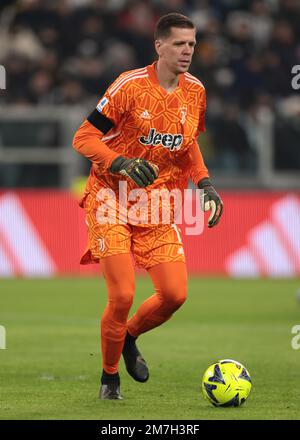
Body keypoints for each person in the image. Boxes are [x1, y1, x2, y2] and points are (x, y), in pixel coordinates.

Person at [73, 12, 223, 400]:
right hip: (110, 198)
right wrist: (120, 162)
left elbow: (188, 142)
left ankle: (128, 338)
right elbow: (83, 137)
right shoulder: (129, 85)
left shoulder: (196, 91)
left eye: (191, 43)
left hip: (157, 205)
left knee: (175, 295)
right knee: (122, 295)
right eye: (179, 43)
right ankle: (109, 379)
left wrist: (204, 182)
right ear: (159, 46)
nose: (187, 50)